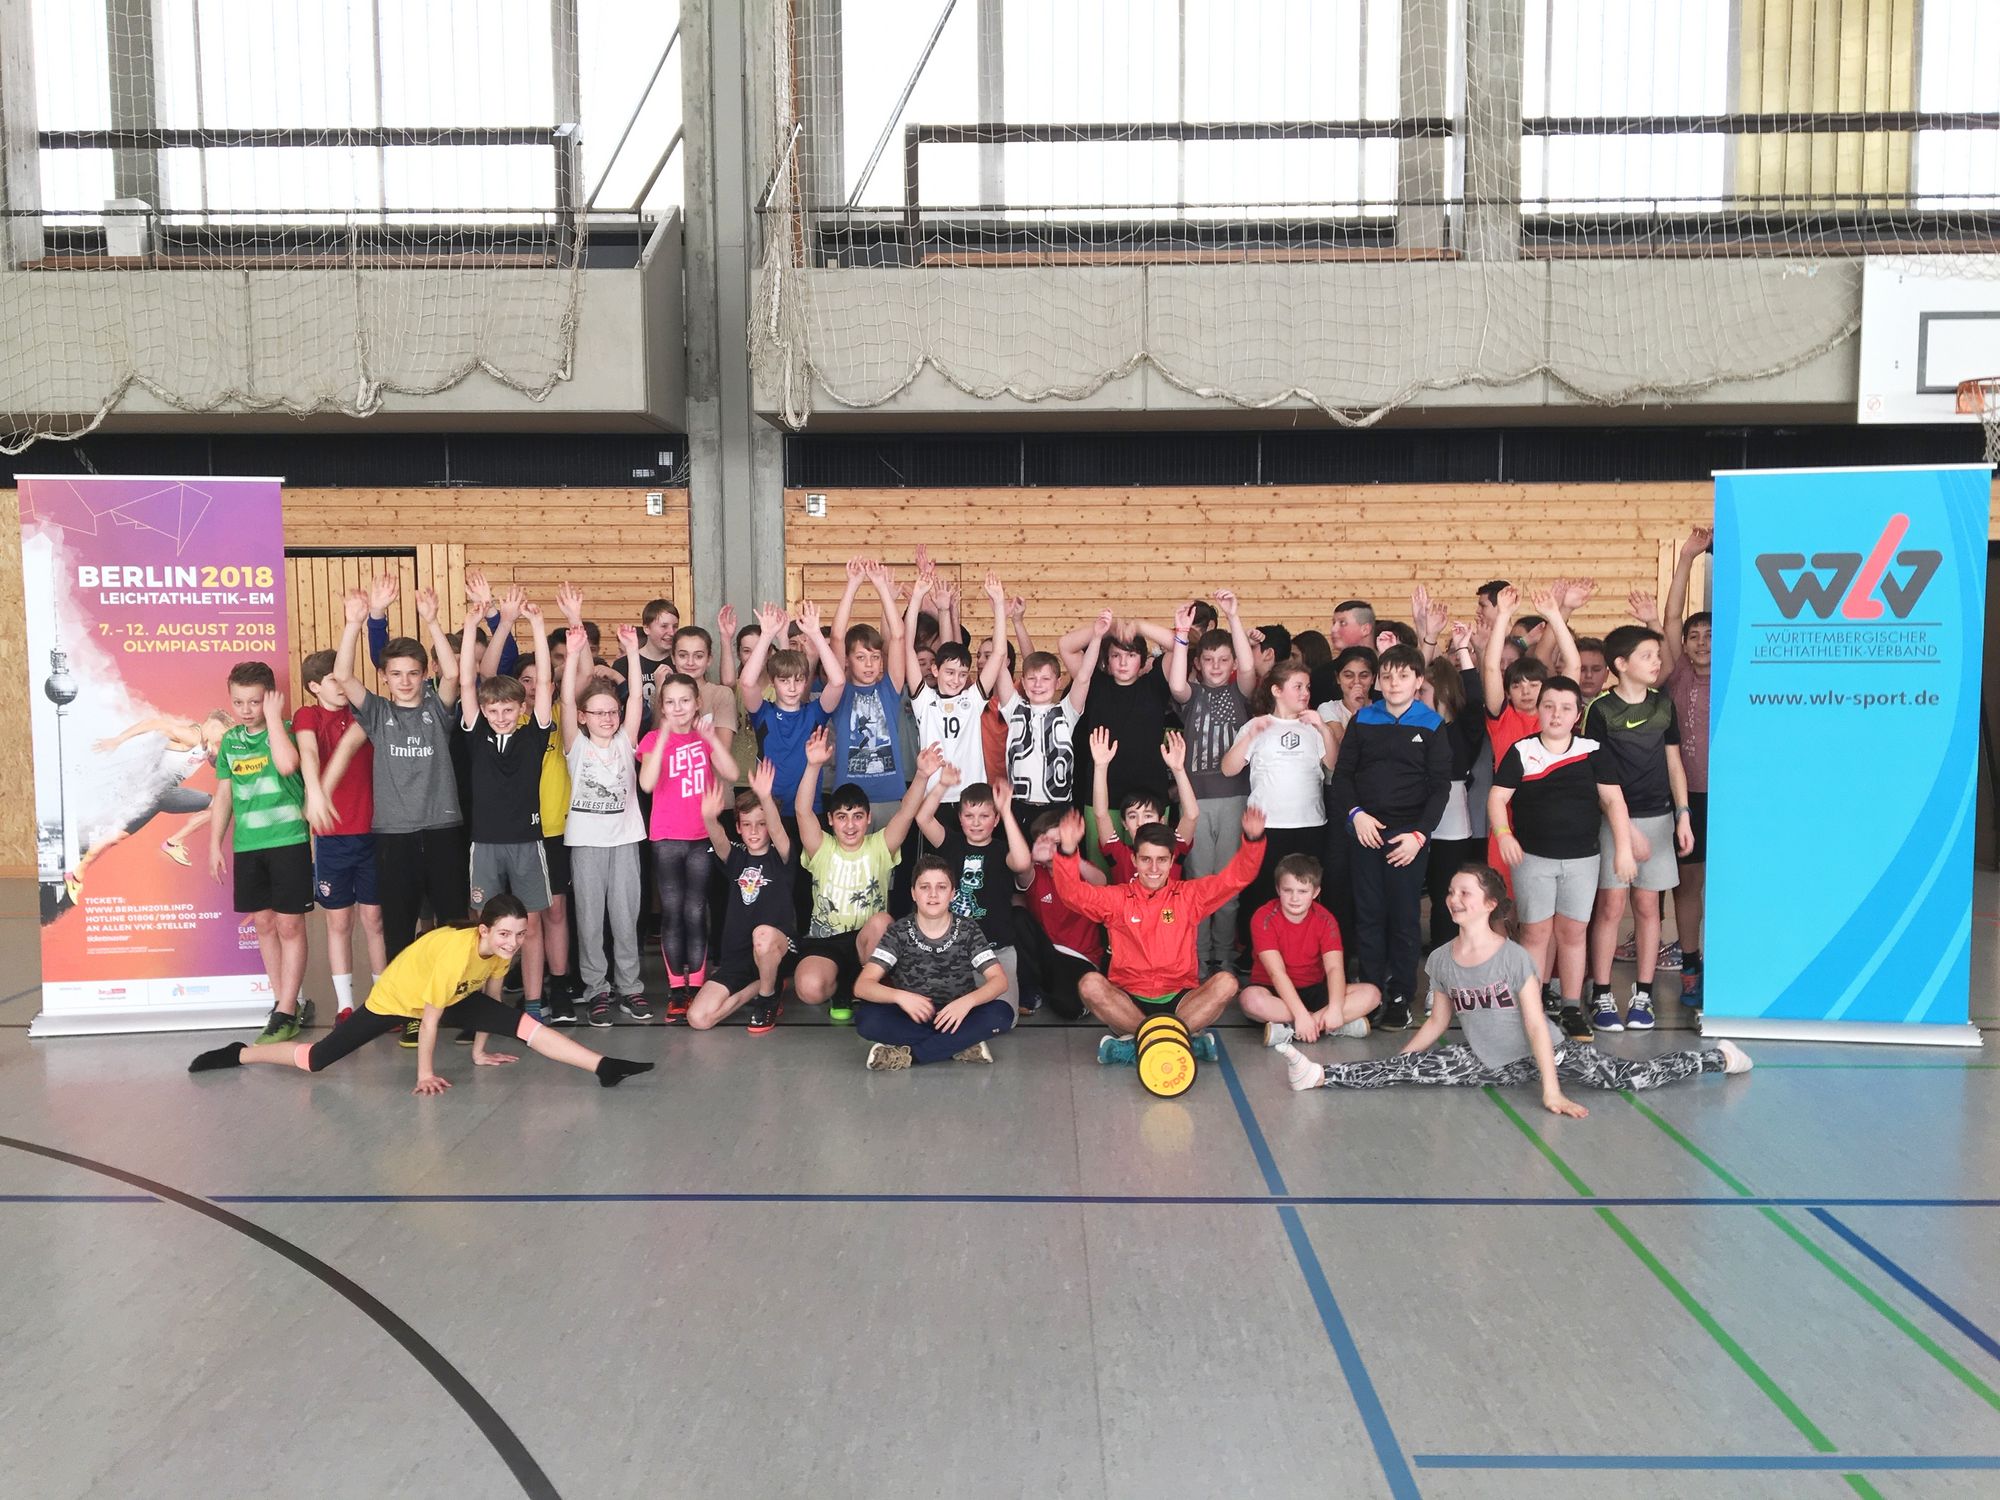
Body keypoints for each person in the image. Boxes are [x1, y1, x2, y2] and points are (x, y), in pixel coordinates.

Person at [1278, 866, 1749, 1105]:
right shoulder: (1440, 959)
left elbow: (1536, 1025)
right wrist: (1405, 1060)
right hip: (1486, 1060)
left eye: (1464, 893)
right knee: (1406, 1068)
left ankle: (1716, 1057)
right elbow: (1439, 1021)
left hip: (1551, 1054)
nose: (1453, 899)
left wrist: (1551, 1089)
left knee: (1630, 1079)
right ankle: (1318, 1075)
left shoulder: (1513, 957)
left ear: (1488, 904)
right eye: (1450, 892)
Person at [189, 894, 654, 1091]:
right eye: (505, 934)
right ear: (484, 930)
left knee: (524, 1025)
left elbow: (491, 1001)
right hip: (396, 1001)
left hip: (453, 997)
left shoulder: (500, 950)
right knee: (316, 1060)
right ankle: (241, 1053)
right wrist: (425, 1073)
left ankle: (603, 1067)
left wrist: (479, 1052)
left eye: (518, 935)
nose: (513, 943)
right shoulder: (456, 953)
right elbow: (427, 1021)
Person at [1049, 804, 1267, 1060]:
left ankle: (1137, 1045)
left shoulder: (1189, 897)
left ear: (1172, 861)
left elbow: (1236, 878)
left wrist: (1254, 840)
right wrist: (1067, 851)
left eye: (1162, 860)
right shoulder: (1117, 899)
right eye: (1146, 859)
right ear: (1134, 860)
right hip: (1129, 1000)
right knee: (1090, 985)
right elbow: (1072, 894)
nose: (1154, 868)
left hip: (1181, 999)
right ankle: (1179, 1041)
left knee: (1227, 983)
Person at [1490, 675, 1637, 1044]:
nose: (1556, 714)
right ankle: (1533, 1007)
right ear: (1539, 711)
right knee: (1535, 933)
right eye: (1549, 706)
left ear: (1577, 714)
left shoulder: (1593, 750)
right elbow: (1497, 798)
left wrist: (1624, 849)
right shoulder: (1522, 751)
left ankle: (1571, 1008)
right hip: (1533, 860)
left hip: (1582, 861)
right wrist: (1504, 834)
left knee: (1572, 934)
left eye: (1565, 708)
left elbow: (1614, 801)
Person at [332, 588, 469, 976]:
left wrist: (432, 621)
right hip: (394, 835)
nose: (405, 681)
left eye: (413, 673)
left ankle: (456, 1000)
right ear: (384, 677)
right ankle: (405, 1002)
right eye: (396, 674)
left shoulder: (438, 710)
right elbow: (343, 676)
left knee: (454, 923)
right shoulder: (377, 712)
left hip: (442, 828)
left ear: (424, 675)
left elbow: (454, 674)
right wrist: (353, 623)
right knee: (399, 926)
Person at [1326, 643, 1452, 1031]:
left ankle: (1399, 995)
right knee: (1368, 913)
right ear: (1379, 682)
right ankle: (1370, 992)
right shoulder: (1363, 720)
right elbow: (1343, 776)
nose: (1394, 683)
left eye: (1403, 676)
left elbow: (1440, 788)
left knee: (1404, 916)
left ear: (1418, 681)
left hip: (1408, 838)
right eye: (1387, 676)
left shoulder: (1432, 725)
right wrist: (1356, 815)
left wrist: (1419, 835)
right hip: (1366, 831)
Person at [1583, 619, 1695, 1034]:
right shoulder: (1600, 710)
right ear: (1621, 664)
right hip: (1613, 822)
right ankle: (1602, 994)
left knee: (1648, 908)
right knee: (1611, 908)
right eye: (1647, 656)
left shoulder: (1663, 705)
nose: (1656, 662)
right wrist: (1627, 833)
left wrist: (1682, 814)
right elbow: (1599, 779)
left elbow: (1673, 762)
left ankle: (1643, 995)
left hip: (1659, 818)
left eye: (1657, 655)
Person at [456, 596, 557, 1029]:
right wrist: (471, 625)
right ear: (483, 710)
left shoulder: (533, 735)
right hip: (485, 844)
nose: (500, 716)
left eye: (508, 710)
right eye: (493, 710)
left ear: (521, 709)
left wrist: (536, 624)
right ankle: (488, 1004)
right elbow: (466, 682)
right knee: (485, 927)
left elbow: (546, 683)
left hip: (526, 843)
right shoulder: (477, 733)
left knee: (530, 925)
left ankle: (532, 1004)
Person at [793, 729, 938, 1024]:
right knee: (809, 989)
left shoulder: (880, 846)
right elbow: (802, 811)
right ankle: (845, 986)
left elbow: (906, 813)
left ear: (868, 818)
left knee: (883, 921)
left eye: (857, 816)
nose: (850, 825)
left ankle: (870, 985)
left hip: (867, 940)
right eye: (842, 817)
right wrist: (813, 765)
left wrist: (922, 775)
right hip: (826, 942)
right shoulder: (821, 847)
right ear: (831, 820)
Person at [209, 662, 314, 1046]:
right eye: (238, 702)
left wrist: (272, 719)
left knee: (290, 926)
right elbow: (224, 796)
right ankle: (282, 1002)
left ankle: (286, 1009)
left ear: (270, 699)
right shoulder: (230, 742)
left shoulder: (287, 732)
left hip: (288, 842)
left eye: (254, 702)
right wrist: (214, 843)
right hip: (249, 847)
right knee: (265, 925)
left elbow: (287, 765)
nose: (245, 709)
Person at [560, 618, 649, 1027]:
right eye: (598, 713)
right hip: (586, 843)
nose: (608, 718)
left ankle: (630, 987)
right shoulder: (576, 746)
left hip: (625, 840)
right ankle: (597, 989)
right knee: (590, 919)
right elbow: (565, 702)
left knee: (625, 917)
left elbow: (637, 700)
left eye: (612, 712)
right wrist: (573, 654)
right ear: (584, 717)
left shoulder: (625, 742)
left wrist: (631, 652)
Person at [637, 672, 741, 1019]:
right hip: (666, 837)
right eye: (670, 702)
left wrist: (711, 739)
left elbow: (731, 772)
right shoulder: (653, 739)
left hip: (700, 836)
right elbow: (647, 783)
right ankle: (675, 990)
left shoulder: (703, 737)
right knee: (672, 911)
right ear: (662, 707)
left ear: (698, 703)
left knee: (696, 911)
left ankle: (695, 985)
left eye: (684, 701)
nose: (678, 708)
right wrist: (665, 734)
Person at [1166, 591, 1258, 978]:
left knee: (1227, 886)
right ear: (1198, 664)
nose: (1216, 666)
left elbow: (1249, 667)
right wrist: (1181, 635)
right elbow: (1176, 683)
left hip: (1234, 798)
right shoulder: (1193, 694)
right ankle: (1199, 957)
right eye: (1208, 660)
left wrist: (1233, 616)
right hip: (1197, 803)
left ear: (1233, 663)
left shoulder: (1241, 692)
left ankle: (1224, 956)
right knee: (1199, 882)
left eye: (1223, 660)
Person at [852, 855, 1015, 1069]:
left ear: (953, 893)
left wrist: (967, 1002)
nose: (933, 894)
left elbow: (999, 980)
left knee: (1002, 1014)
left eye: (941, 887)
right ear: (913, 893)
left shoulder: (968, 929)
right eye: (925, 887)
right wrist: (900, 997)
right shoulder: (899, 931)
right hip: (912, 1015)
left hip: (958, 1016)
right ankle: (959, 1044)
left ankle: (910, 1055)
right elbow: (863, 986)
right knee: (867, 1019)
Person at [293, 652, 383, 1023]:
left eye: (345, 678)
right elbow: (308, 753)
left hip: (372, 832)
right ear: (314, 686)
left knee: (374, 919)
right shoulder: (308, 715)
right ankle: (345, 1005)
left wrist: (321, 791)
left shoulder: (363, 711)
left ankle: (383, 1003)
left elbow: (348, 752)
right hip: (332, 838)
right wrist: (315, 793)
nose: (342, 685)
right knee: (339, 922)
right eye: (334, 679)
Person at [1646, 525, 1713, 1015]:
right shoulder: (1677, 674)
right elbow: (1670, 616)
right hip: (1686, 798)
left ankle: (1728, 965)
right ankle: (1691, 966)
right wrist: (1688, 557)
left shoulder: (1736, 672)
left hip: (1727, 797)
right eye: (1695, 636)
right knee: (1686, 887)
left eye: (1710, 636)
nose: (1702, 642)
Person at [1222, 659, 1333, 941]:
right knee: (1262, 891)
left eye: (1307, 687)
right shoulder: (1257, 725)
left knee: (1305, 891)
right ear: (1277, 690)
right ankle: (1257, 951)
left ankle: (1304, 950)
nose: (1305, 693)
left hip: (1309, 824)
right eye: (1298, 686)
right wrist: (1250, 736)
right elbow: (1228, 768)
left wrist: (1323, 728)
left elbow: (1334, 763)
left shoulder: (1312, 726)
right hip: (1267, 825)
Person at [1479, 586, 1579, 885]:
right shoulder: (1502, 717)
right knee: (1502, 898)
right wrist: (1503, 616)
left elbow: (1573, 664)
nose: (1525, 691)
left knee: (1542, 902)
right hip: (1506, 816)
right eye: (1517, 685)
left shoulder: (1555, 717)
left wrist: (1554, 615)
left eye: (1534, 685)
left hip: (1550, 815)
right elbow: (1490, 667)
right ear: (1508, 691)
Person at [689, 762, 796, 1034]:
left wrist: (765, 797)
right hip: (737, 960)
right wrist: (709, 818)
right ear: (737, 827)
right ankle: (764, 987)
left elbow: (778, 831)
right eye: (746, 825)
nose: (754, 831)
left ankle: (767, 998)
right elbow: (719, 840)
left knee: (762, 935)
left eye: (761, 824)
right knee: (698, 1018)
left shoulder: (781, 856)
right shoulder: (736, 858)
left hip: (774, 949)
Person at [915, 772, 1034, 1016]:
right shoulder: (951, 843)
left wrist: (1006, 810)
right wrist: (943, 784)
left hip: (996, 951)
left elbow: (1023, 863)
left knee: (1004, 1016)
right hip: (952, 948)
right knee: (936, 1011)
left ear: (996, 820)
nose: (976, 823)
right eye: (969, 816)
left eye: (984, 816)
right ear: (960, 818)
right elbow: (923, 818)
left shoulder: (1003, 850)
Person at [69, 710, 225, 891]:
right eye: (222, 735)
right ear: (214, 726)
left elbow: (217, 762)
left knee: (115, 837)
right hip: (162, 791)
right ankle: (174, 842)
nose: (221, 740)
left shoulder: (209, 747)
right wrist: (118, 740)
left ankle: (76, 875)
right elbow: (152, 723)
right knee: (220, 806)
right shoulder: (190, 736)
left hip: (154, 797)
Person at [994, 582, 1106, 828]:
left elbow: (1084, 677)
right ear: (1022, 682)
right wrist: (1000, 614)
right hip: (1019, 805)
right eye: (1032, 679)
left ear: (1058, 682)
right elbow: (999, 661)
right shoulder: (1014, 708)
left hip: (1058, 806)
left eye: (1045, 679)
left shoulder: (1066, 712)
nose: (1038, 684)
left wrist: (1097, 637)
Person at [508, 648, 580, 1021]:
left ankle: (561, 987)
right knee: (529, 918)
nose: (535, 687)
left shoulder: (560, 715)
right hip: (519, 834)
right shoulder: (507, 720)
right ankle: (534, 992)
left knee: (556, 911)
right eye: (527, 680)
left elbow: (581, 681)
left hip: (555, 829)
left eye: (542, 680)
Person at [1241, 854, 1380, 1045]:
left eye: (1302, 891)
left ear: (1315, 892)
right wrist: (1300, 1014)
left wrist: (1335, 1008)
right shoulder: (1263, 917)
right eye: (1288, 890)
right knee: (1250, 1000)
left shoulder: (1325, 919)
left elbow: (1334, 969)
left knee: (1372, 994)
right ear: (1278, 889)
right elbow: (1276, 972)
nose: (1294, 898)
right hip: (1274, 990)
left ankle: (1294, 1028)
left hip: (1313, 990)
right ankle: (1328, 1025)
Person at [905, 571, 1007, 820]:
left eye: (962, 674)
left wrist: (999, 605)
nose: (956, 680)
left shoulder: (972, 699)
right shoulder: (925, 700)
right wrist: (916, 598)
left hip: (970, 799)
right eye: (949, 672)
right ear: (935, 670)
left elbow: (998, 654)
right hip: (934, 798)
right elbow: (906, 648)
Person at [830, 558, 915, 824]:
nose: (869, 665)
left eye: (875, 657)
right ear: (847, 660)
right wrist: (853, 585)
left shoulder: (889, 688)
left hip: (889, 797)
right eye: (861, 657)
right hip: (848, 800)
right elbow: (836, 637)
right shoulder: (840, 692)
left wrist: (881, 588)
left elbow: (898, 637)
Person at [1017, 809, 1107, 1020]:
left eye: (1057, 843)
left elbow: (1101, 882)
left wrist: (1068, 853)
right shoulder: (1035, 871)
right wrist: (1032, 857)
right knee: (1017, 916)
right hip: (1046, 952)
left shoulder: (1082, 870)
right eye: (1046, 842)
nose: (1051, 849)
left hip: (1078, 957)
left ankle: (1059, 993)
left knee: (1068, 1008)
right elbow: (1022, 874)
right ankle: (1032, 990)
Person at [1091, 727, 1197, 882]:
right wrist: (1100, 767)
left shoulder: (1174, 849)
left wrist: (1178, 770)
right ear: (1124, 824)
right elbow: (1101, 815)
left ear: (1161, 821)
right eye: (1132, 816)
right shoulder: (1119, 854)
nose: (1140, 822)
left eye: (1148, 815)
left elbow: (1191, 816)